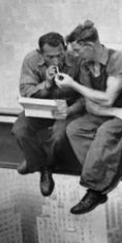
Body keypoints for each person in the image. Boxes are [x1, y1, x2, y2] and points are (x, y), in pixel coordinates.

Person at [55, 21, 122, 214]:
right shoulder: (86, 65)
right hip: (112, 112)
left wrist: (74, 85)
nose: (76, 56)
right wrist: (113, 112)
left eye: (77, 51)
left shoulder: (119, 59)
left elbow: (107, 98)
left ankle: (95, 189)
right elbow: (90, 103)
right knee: (75, 129)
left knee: (105, 131)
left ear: (89, 46)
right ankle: (114, 171)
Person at [13, 32, 84, 196]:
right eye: (50, 57)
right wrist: (46, 84)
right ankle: (39, 165)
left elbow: (85, 94)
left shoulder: (77, 59)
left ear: (64, 49)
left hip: (67, 107)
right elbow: (26, 92)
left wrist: (70, 109)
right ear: (40, 53)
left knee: (59, 136)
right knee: (20, 130)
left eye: (60, 55)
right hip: (40, 107)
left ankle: (40, 164)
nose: (56, 61)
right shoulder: (31, 60)